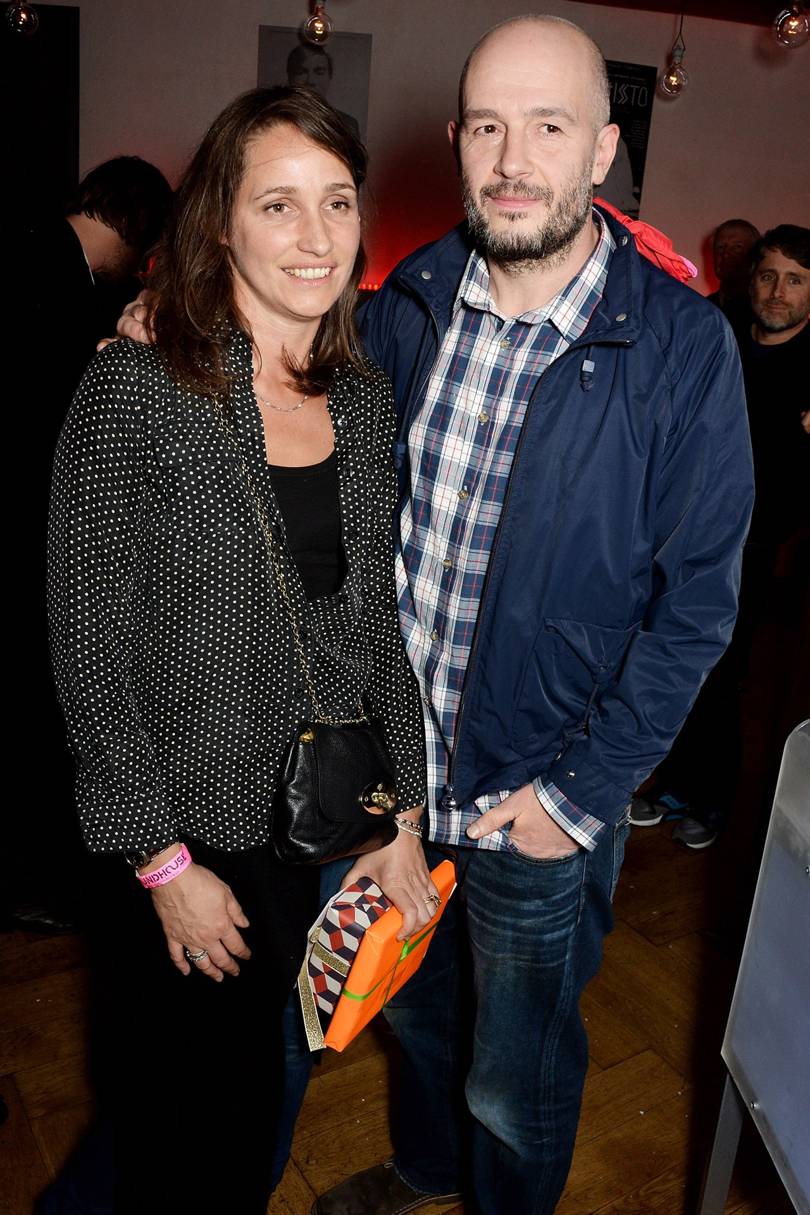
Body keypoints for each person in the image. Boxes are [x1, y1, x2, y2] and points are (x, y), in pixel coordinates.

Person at [117, 18, 753, 1215]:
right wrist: (168, 326)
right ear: (458, 142)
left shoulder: (683, 350)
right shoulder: (404, 301)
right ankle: (423, 1170)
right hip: (378, 787)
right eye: (491, 127)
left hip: (537, 798)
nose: (516, 159)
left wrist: (580, 798)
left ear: (605, 149)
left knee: (514, 1078)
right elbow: (284, 390)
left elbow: (697, 611)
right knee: (399, 1011)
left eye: (551, 126)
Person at [46, 86, 432, 1215]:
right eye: (279, 204)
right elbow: (89, 650)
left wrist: (398, 818)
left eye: (338, 202)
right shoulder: (136, 388)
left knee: (263, 1094)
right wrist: (162, 866)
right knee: (181, 1124)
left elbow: (372, 630)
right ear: (225, 224)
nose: (315, 238)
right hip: (188, 835)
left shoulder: (364, 404)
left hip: (312, 827)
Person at [631, 225, 809, 849]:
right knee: (667, 660)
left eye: (794, 280)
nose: (777, 292)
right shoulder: (722, 337)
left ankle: (713, 801)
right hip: (685, 530)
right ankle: (672, 782)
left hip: (758, 547)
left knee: (721, 674)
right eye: (768, 276)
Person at [287, 41, 362, 138]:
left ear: (329, 77)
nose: (311, 80)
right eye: (301, 72)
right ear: (290, 76)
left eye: (319, 72)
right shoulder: (273, 120)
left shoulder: (347, 125)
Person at [706, 217, 760, 335]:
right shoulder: (703, 308)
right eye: (720, 247)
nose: (726, 254)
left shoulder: (765, 309)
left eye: (737, 247)